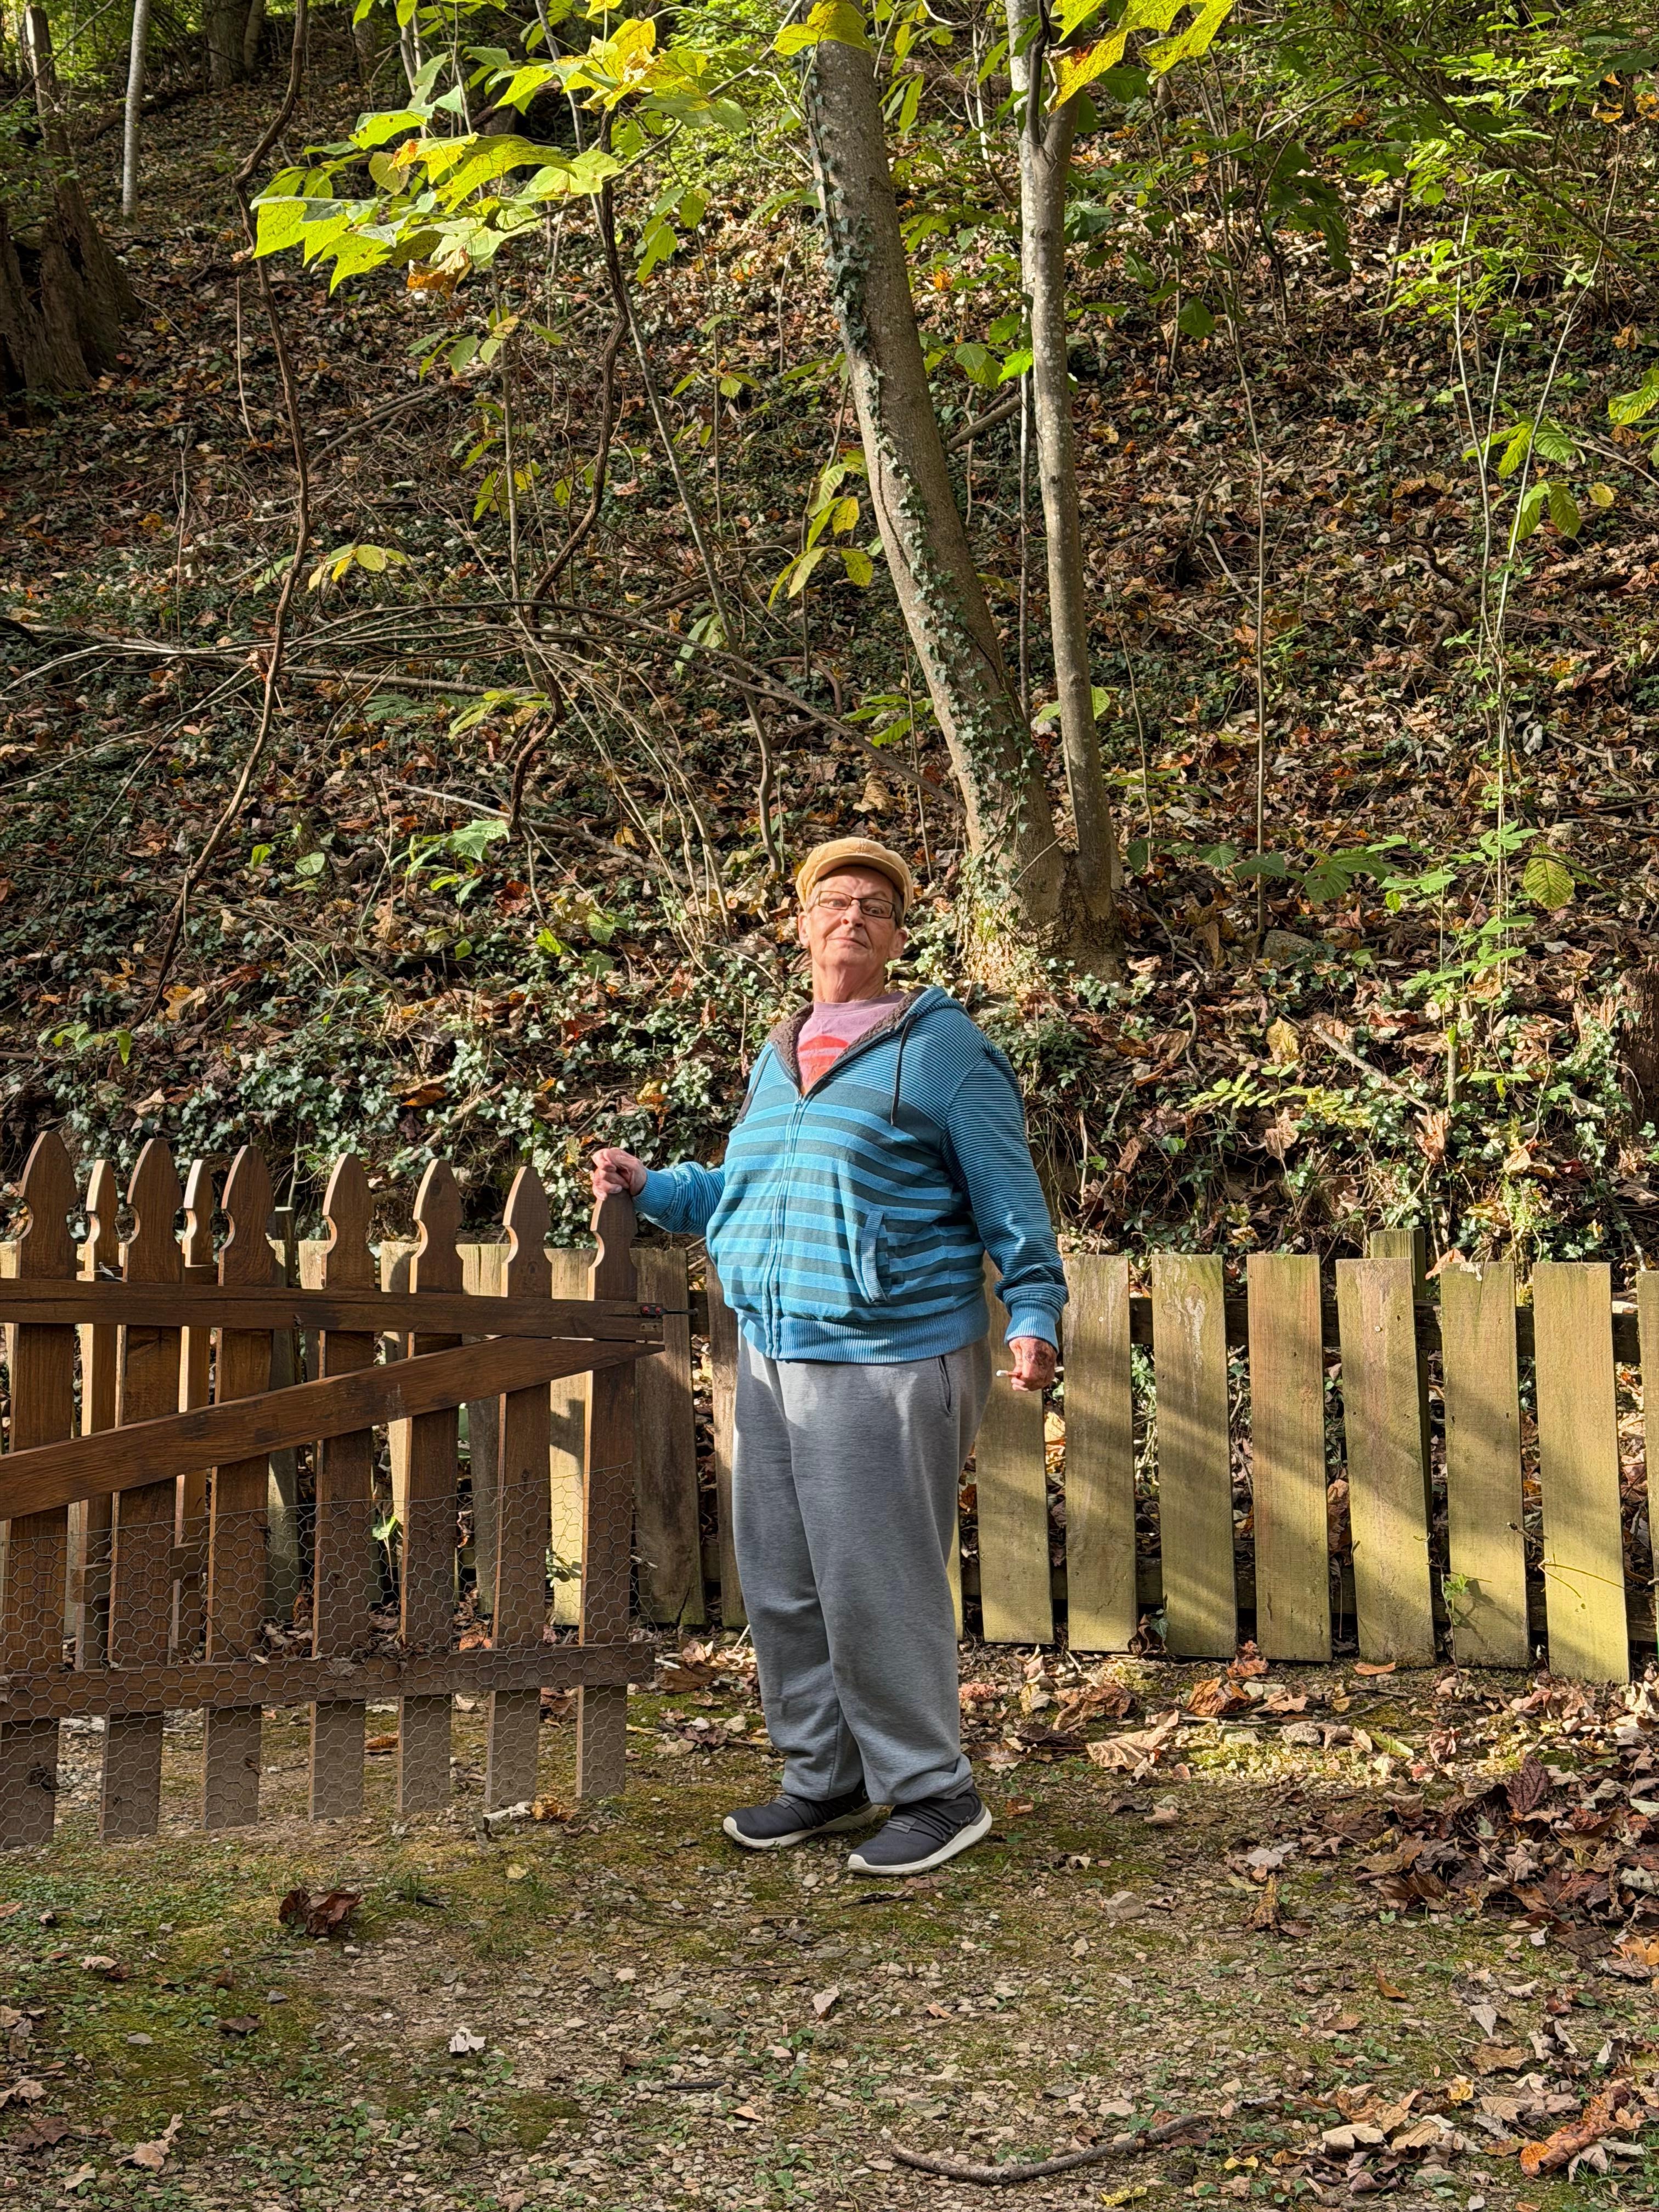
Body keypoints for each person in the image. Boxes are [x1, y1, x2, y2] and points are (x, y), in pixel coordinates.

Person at [592, 836, 1065, 1876]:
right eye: (833, 902)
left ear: (899, 937)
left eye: (876, 908)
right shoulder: (781, 1049)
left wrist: (1034, 1311)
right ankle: (826, 1776)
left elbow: (1011, 1200)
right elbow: (745, 1190)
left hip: (891, 1357)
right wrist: (653, 1186)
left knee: (876, 1584)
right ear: (801, 926)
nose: (852, 918)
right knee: (785, 1581)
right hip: (769, 1354)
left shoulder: (940, 1050)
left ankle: (935, 1793)